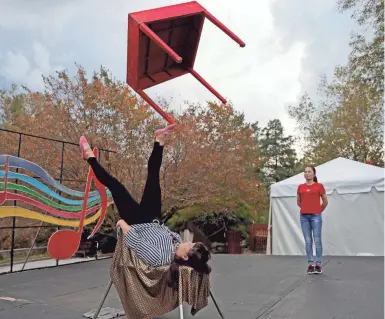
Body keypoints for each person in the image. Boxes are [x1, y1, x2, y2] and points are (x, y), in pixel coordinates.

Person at [79, 124, 211, 288]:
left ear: (185, 257)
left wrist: (121, 223)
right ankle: (159, 141)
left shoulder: (161, 257)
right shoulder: (176, 242)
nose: (188, 242)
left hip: (137, 221)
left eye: (190, 245)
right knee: (153, 177)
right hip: (153, 217)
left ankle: (90, 157)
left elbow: (136, 242)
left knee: (115, 186)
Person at [297, 166, 328, 274]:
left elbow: (325, 201)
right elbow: (298, 202)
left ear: (314, 174)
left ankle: (318, 264)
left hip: (316, 216)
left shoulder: (319, 186)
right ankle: (311, 264)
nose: (307, 173)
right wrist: (306, 208)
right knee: (308, 241)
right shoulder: (300, 187)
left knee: (317, 240)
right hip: (304, 217)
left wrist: (318, 210)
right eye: (305, 172)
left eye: (309, 172)